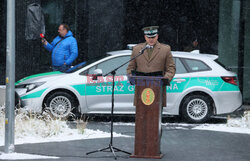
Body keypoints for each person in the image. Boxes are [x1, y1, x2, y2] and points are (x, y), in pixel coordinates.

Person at [127, 26, 176, 107]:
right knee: (141, 117)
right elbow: (130, 67)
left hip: (158, 90)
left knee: (155, 117)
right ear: (145, 37)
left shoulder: (165, 49)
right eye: (149, 37)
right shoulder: (137, 49)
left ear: (157, 36)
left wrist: (164, 79)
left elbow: (171, 68)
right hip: (141, 91)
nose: (151, 39)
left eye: (153, 37)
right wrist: (131, 76)